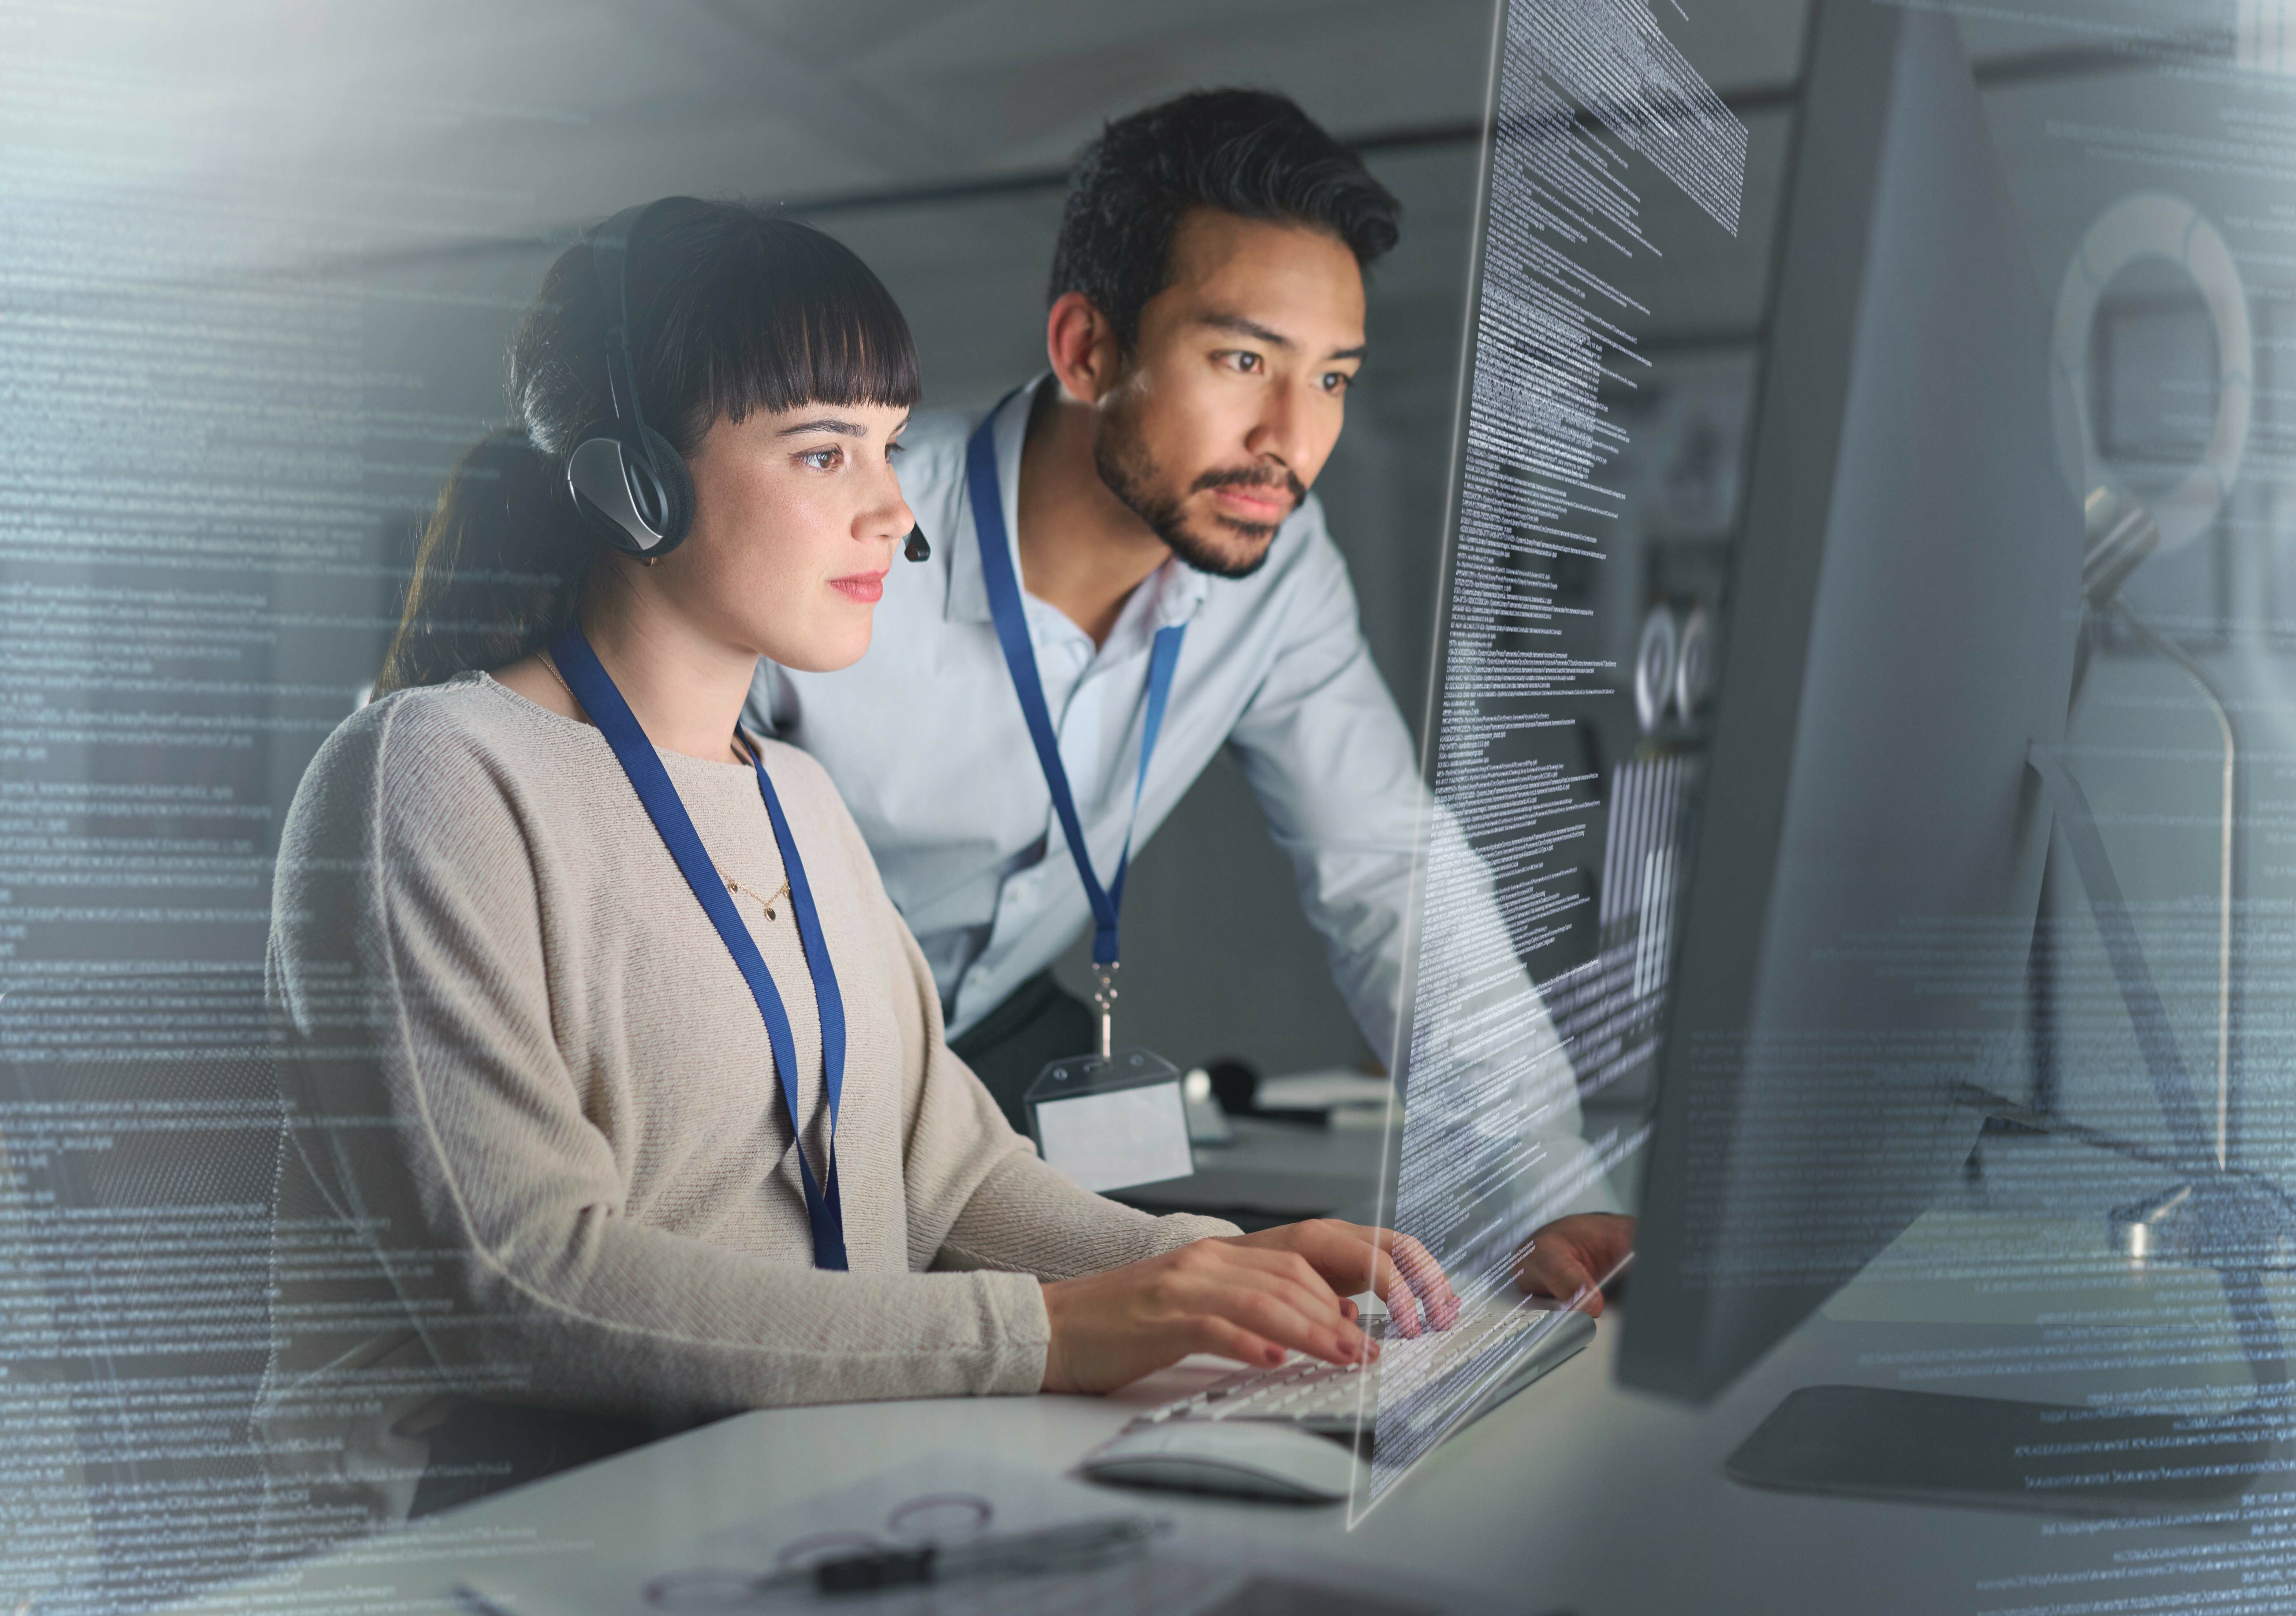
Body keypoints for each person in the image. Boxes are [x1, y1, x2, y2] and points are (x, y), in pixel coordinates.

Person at [256, 198, 1457, 1543]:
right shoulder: (431, 773)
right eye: (826, 453)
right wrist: (1049, 1332)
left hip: (783, 1474)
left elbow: (950, 1176)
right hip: (505, 1529)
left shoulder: (800, 797)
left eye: (889, 448)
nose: (893, 512)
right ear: (634, 485)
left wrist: (1205, 1265)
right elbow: (521, 1285)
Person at [747, 91, 1635, 1308]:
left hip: (993, 1041)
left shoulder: (1280, 566)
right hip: (769, 1057)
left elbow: (1389, 868)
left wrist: (1544, 1184)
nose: (1292, 439)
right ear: (1087, 351)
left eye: (1332, 377)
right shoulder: (842, 531)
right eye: (1243, 361)